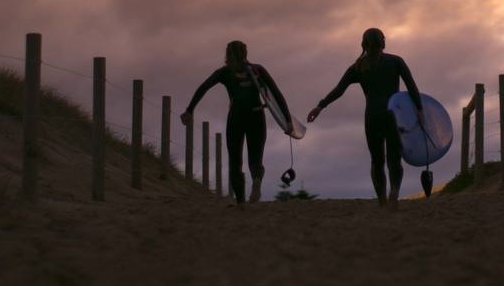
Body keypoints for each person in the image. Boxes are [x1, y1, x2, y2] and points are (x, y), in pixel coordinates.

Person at [307, 28, 422, 206]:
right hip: (393, 116)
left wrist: (320, 106)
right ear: (383, 43)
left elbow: (339, 90)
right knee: (394, 157)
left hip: (372, 117)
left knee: (377, 161)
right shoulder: (396, 61)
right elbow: (412, 88)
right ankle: (394, 192)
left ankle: (382, 199)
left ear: (363, 44)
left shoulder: (358, 67)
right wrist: (420, 110)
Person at [181, 40, 290, 204]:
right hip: (256, 117)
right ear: (245, 54)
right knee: (255, 159)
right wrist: (287, 121)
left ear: (229, 55)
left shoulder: (224, 72)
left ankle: (240, 202)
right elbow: (277, 94)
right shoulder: (258, 70)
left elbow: (204, 87)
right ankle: (257, 182)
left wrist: (190, 110)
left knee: (235, 162)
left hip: (236, 119)